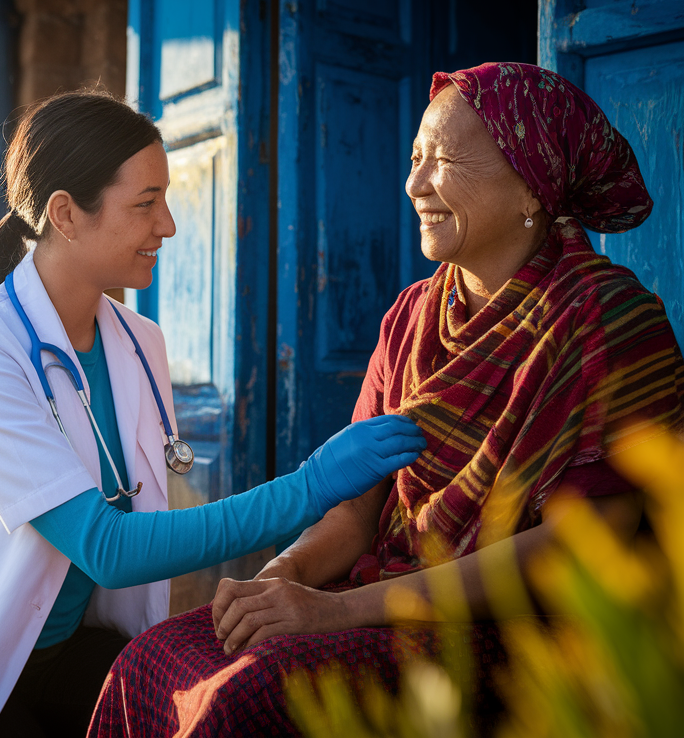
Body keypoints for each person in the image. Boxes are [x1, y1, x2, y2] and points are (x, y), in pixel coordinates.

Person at [89, 63, 684, 737]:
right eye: (414, 159)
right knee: (149, 659)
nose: (413, 184)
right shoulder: (412, 316)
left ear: (532, 182)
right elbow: (354, 518)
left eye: (444, 160)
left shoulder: (611, 319)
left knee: (246, 700)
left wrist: (333, 612)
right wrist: (278, 583)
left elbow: (583, 545)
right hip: (377, 591)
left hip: (513, 632)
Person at [0, 91, 425, 738]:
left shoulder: (139, 342)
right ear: (66, 215)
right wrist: (310, 487)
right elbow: (105, 547)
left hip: (79, 646)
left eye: (163, 199)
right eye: (144, 204)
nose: (168, 225)